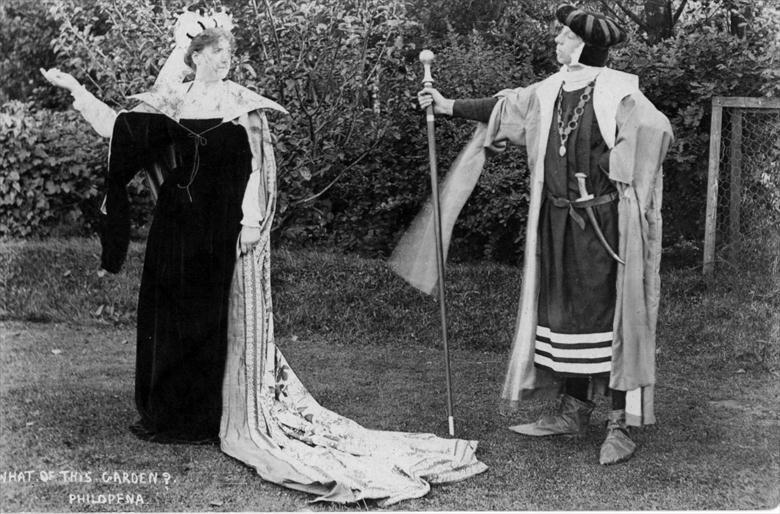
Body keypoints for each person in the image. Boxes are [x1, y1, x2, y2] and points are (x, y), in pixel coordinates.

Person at [42, 8, 486, 505]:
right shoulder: (171, 100)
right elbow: (116, 132)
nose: (225, 60)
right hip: (175, 230)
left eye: (229, 53)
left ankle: (207, 416)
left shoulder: (243, 105)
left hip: (220, 230)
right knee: (170, 317)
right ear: (194, 57)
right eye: (216, 52)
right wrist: (76, 89)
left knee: (210, 321)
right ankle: (167, 414)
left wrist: (251, 223)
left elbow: (256, 169)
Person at [396, 4, 673, 465]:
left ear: (582, 45)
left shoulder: (621, 94)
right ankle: (571, 410)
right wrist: (447, 106)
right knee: (564, 317)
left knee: (611, 318)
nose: (557, 43)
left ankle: (620, 424)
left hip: (604, 228)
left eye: (563, 37)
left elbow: (655, 131)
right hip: (557, 224)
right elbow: (505, 108)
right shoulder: (550, 90)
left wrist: (615, 168)